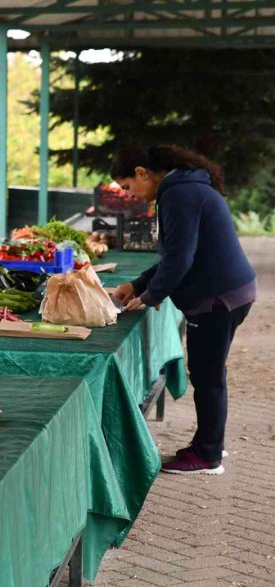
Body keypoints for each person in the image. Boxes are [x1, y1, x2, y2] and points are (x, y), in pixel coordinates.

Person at [110, 145, 256, 475]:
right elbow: (177, 253)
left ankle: (208, 455)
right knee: (209, 373)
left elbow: (180, 261)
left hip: (218, 298)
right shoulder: (184, 188)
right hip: (229, 292)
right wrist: (138, 284)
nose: (131, 196)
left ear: (141, 173)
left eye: (129, 187)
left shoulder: (178, 194)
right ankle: (209, 443)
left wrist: (150, 296)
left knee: (207, 376)